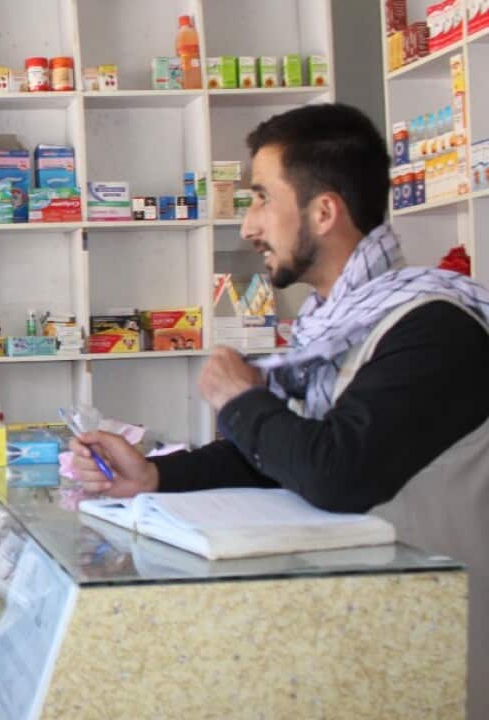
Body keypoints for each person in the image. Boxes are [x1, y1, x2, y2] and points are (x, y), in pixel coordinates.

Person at [68, 103, 489, 718]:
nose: (248, 225)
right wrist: (157, 477)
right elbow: (280, 456)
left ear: (324, 211)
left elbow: (337, 473)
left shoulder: (431, 327)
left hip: (443, 652)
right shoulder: (334, 327)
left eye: (262, 197)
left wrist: (241, 400)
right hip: (362, 637)